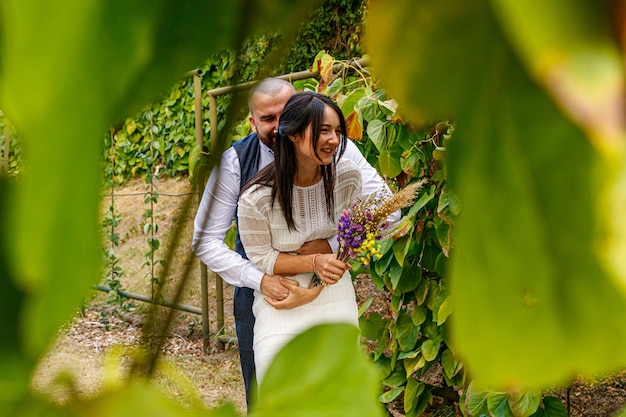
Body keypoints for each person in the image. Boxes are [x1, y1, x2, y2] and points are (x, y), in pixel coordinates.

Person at [191, 78, 397, 408]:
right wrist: (262, 280)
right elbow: (204, 241)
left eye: (285, 114)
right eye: (267, 119)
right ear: (252, 122)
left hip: (330, 289)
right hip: (264, 290)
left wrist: (330, 246)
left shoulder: (339, 155)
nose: (279, 126)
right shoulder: (234, 164)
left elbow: (388, 211)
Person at [237, 91, 361, 384]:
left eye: (338, 131)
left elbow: (353, 239)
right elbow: (262, 258)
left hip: (334, 293)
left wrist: (319, 275)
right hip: (281, 296)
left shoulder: (347, 177)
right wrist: (314, 261)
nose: (334, 139)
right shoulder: (257, 197)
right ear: (292, 134)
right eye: (323, 131)